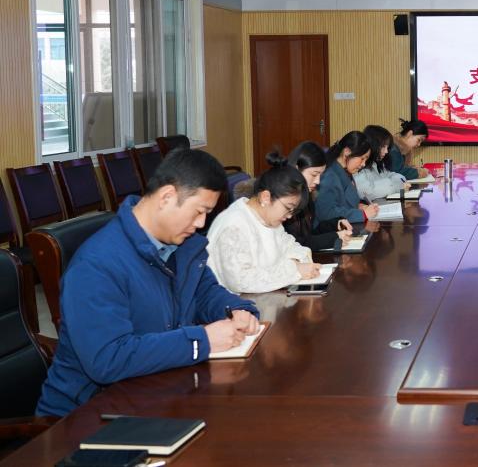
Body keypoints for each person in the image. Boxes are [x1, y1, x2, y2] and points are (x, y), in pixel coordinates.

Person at [36, 149, 260, 417]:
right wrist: (200, 341)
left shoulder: (181, 245)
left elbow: (204, 292)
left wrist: (237, 309)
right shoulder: (96, 265)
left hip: (153, 393)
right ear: (167, 197)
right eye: (199, 212)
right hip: (86, 416)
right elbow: (107, 359)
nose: (201, 224)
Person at [206, 162, 322, 294]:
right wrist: (294, 269)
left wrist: (295, 264)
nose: (290, 216)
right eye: (288, 208)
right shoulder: (233, 225)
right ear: (266, 197)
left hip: (266, 297)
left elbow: (295, 248)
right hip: (235, 303)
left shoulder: (269, 218)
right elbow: (241, 281)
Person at [277, 142, 354, 252]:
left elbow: (310, 233)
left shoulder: (306, 195)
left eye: (320, 175)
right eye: (314, 174)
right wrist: (335, 237)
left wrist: (335, 224)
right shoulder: (283, 199)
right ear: (296, 169)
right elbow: (298, 243)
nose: (317, 181)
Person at [317, 130, 378, 226]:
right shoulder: (329, 175)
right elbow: (327, 213)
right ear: (347, 152)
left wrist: (359, 206)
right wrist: (362, 214)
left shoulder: (345, 171)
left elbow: (344, 204)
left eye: (366, 160)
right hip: (329, 231)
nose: (363, 164)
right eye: (362, 158)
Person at [356, 125, 411, 200]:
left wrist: (399, 182)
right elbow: (367, 192)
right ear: (373, 145)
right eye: (383, 147)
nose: (386, 151)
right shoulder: (358, 166)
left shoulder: (377, 164)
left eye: (387, 147)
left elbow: (392, 175)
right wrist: (395, 185)